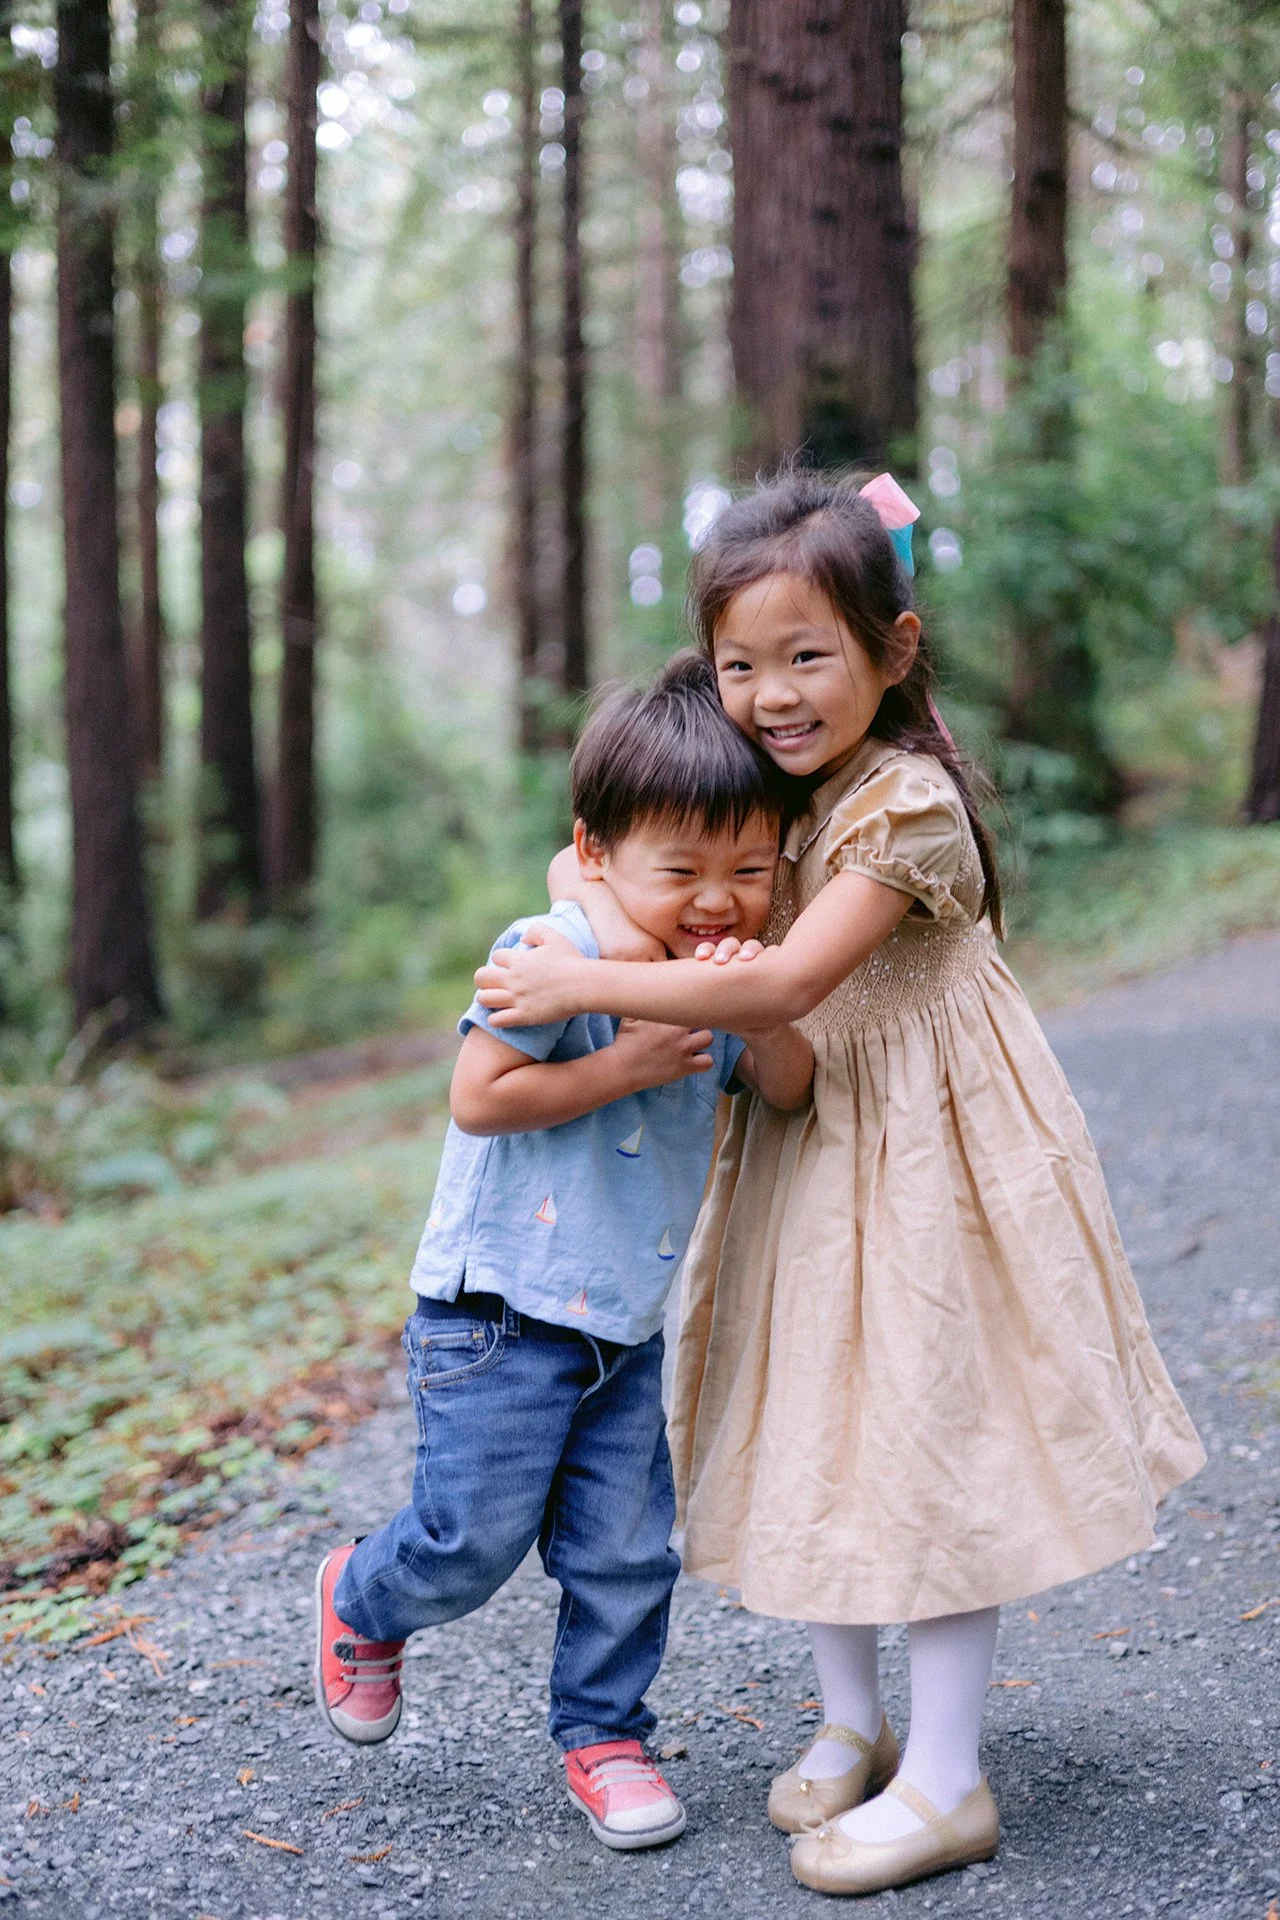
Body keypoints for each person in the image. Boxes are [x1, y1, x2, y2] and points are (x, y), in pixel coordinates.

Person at [475, 471, 1206, 1897]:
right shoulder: (769, 792)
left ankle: (948, 1776)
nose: (772, 695)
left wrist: (577, 976)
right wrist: (601, 919)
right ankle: (853, 1721)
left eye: (807, 655)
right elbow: (633, 881)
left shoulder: (907, 804)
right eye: (740, 665)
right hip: (810, 1145)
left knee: (927, 1435)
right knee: (827, 1418)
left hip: (934, 1152)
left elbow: (789, 980)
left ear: (893, 646)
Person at [313, 651, 813, 1853]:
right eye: (680, 872)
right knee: (468, 1541)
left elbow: (790, 1087)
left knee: (624, 1555)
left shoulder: (715, 977)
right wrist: (620, 1063)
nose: (715, 901)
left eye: (748, 872)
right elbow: (479, 1096)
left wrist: (755, 1001)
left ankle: (604, 1736)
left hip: (625, 1326)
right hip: (497, 1316)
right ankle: (362, 1593)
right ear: (595, 853)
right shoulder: (548, 946)